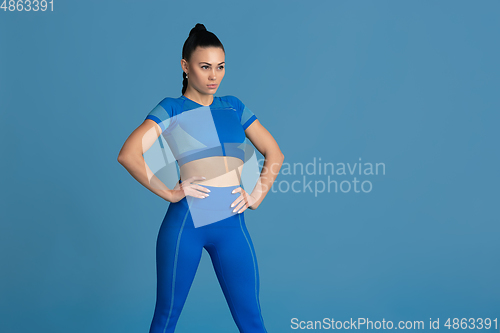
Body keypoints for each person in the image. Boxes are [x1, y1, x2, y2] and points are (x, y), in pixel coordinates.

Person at [117, 23, 284, 333]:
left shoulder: (233, 106)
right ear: (185, 66)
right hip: (187, 222)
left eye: (220, 67)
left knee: (252, 320)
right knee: (166, 318)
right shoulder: (171, 108)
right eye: (204, 66)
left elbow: (274, 153)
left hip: (232, 223)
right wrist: (169, 192)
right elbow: (128, 154)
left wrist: (256, 195)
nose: (213, 76)